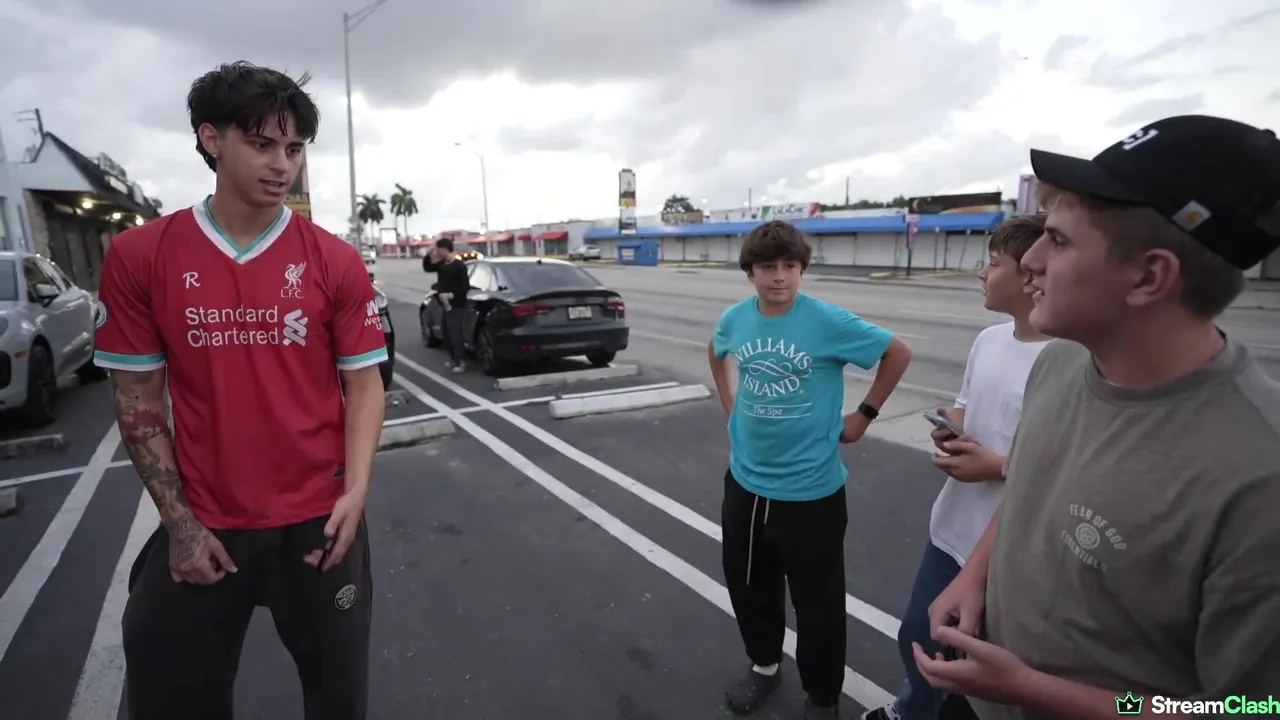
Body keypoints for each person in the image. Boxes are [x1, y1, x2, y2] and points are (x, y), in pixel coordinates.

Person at [913, 115, 1280, 719]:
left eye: (1058, 241)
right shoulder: (1060, 362)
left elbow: (1248, 708)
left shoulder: (1258, 481)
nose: (1031, 260)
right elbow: (1030, 486)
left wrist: (1034, 690)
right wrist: (974, 574)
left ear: (1148, 277)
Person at [94, 62, 389, 720]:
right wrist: (179, 525)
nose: (282, 165)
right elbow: (137, 397)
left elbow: (365, 384)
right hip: (208, 520)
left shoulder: (334, 260)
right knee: (170, 691)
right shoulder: (144, 255)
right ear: (211, 139)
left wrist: (356, 491)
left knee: (339, 698)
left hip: (317, 520)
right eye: (262, 144)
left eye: (294, 148)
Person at [708, 220, 914, 719]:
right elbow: (717, 351)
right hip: (746, 485)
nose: (779, 276)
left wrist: (864, 415)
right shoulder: (736, 319)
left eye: (789, 266)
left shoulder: (827, 321)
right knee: (750, 587)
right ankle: (764, 666)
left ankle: (822, 697)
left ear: (802, 270)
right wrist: (730, 404)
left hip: (811, 493)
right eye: (767, 267)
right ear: (751, 273)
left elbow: (897, 352)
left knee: (817, 604)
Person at [861, 215, 1050, 720]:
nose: (981, 274)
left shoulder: (1067, 359)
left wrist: (999, 467)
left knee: (978, 666)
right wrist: (950, 426)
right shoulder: (989, 339)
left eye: (993, 264)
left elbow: (1068, 463)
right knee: (919, 637)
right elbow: (967, 406)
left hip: (1012, 549)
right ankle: (912, 710)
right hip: (952, 528)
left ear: (1031, 274)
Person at [433, 238, 470, 373]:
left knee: (456, 335)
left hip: (457, 306)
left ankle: (460, 361)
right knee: (447, 333)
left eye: (438, 250)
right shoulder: (442, 266)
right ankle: (453, 359)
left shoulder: (459, 266)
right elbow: (428, 267)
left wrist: (451, 295)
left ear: (445, 249)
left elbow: (465, 286)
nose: (437, 253)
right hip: (445, 305)